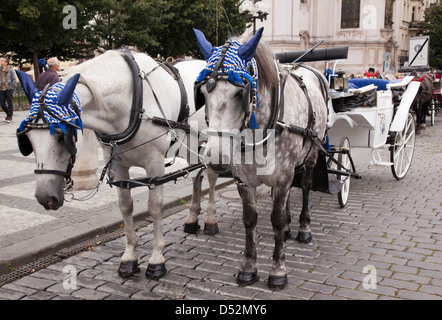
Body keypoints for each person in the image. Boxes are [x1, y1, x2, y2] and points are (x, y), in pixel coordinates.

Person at [0, 57, 17, 123]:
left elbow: (14, 80)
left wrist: (11, 86)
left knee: (10, 103)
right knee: (2, 104)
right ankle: (8, 114)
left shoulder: (10, 70)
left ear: (6, 63)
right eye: (1, 60)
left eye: (2, 61)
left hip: (9, 89)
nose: (1, 62)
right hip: (1, 89)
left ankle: (9, 117)